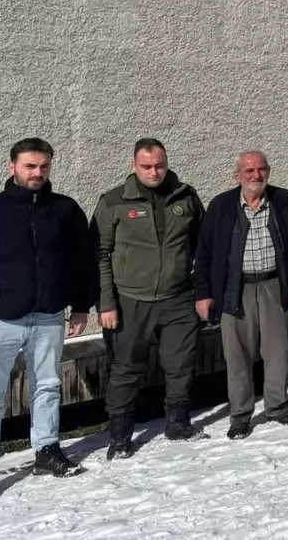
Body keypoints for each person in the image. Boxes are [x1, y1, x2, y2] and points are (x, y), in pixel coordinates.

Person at [0, 139, 94, 492]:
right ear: (12, 167)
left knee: (47, 385)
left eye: (44, 166)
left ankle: (47, 450)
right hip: (2, 318)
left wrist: (81, 306)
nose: (38, 172)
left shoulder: (65, 209)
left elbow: (82, 261)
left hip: (49, 315)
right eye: (30, 166)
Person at [94, 138, 205, 459]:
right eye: (146, 166)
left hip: (178, 297)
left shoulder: (185, 196)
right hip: (130, 301)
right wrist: (106, 303)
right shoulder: (114, 201)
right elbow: (99, 254)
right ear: (133, 165)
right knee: (125, 369)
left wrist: (200, 291)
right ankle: (120, 436)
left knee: (180, 364)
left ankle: (178, 422)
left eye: (159, 165)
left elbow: (202, 245)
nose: (154, 172)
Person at [193, 151, 288, 441]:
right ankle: (241, 415)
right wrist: (203, 294)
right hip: (235, 289)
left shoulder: (284, 200)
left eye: (261, 169)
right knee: (237, 354)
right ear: (237, 176)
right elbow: (204, 253)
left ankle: (277, 407)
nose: (256, 175)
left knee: (278, 350)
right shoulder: (221, 206)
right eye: (249, 170)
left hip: (274, 284)